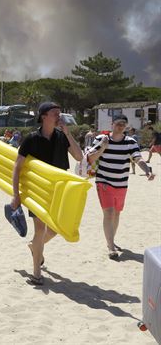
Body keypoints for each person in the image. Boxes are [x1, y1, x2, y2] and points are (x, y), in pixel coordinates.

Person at [10, 102, 83, 286]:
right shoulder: (31, 139)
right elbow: (17, 168)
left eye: (60, 112)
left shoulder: (61, 136)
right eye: (55, 113)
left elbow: (79, 157)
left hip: (59, 190)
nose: (59, 115)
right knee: (40, 229)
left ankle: (35, 247)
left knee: (56, 228)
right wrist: (16, 194)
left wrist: (68, 133)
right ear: (43, 116)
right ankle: (36, 274)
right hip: (37, 190)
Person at [87, 115, 154, 260]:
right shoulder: (101, 139)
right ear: (112, 124)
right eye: (118, 124)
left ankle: (111, 239)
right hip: (104, 181)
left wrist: (147, 170)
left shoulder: (130, 142)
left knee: (117, 213)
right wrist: (102, 148)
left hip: (121, 183)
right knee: (109, 212)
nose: (121, 126)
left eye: (123, 124)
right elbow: (90, 158)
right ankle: (110, 246)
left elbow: (138, 158)